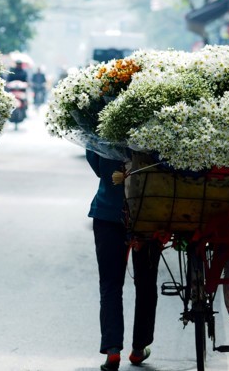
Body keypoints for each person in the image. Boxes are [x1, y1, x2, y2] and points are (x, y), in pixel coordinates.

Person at [86, 149, 162, 370]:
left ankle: (112, 351)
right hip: (147, 212)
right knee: (146, 283)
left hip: (108, 211)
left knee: (110, 284)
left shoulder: (99, 123)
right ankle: (139, 349)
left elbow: (96, 163)